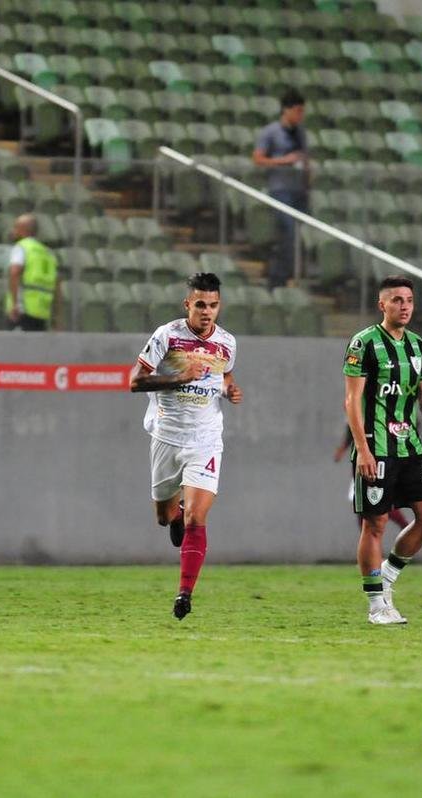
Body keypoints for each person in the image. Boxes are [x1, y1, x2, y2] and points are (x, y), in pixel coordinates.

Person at [129, 272, 242, 620]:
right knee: (165, 518)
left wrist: (229, 389)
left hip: (205, 440)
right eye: (200, 305)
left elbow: (224, 374)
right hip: (167, 436)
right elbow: (135, 382)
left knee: (197, 516)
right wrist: (179, 377)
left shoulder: (227, 342)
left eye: (213, 305)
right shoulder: (168, 335)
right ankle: (174, 513)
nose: (207, 312)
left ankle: (184, 594)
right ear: (187, 304)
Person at [343, 276, 422, 625]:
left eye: (409, 300)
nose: (404, 306)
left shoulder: (417, 345)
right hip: (376, 445)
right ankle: (376, 605)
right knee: (375, 523)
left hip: (409, 445)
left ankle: (386, 578)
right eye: (397, 300)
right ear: (382, 305)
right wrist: (363, 450)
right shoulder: (364, 342)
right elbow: (352, 400)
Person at [252, 88, 309, 289]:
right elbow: (258, 158)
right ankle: (276, 278)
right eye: (298, 111)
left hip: (298, 190)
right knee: (287, 233)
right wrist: (284, 161)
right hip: (280, 190)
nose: (300, 115)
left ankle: (282, 276)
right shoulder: (271, 132)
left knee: (294, 237)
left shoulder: (300, 133)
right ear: (286, 110)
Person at [333, 426, 411, 532]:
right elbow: (352, 429)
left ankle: (405, 525)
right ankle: (366, 535)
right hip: (365, 462)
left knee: (378, 502)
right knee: (364, 505)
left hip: (380, 458)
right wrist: (343, 449)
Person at [4, 213, 60, 332]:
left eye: (15, 227)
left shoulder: (22, 247)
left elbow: (14, 273)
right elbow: (57, 286)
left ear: (23, 230)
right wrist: (56, 316)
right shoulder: (49, 253)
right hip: (43, 312)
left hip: (22, 310)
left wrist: (14, 304)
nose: (13, 231)